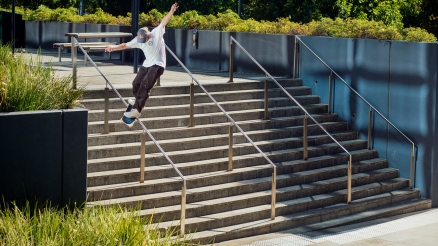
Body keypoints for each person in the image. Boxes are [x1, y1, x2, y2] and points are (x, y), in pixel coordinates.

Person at [105, 2, 179, 127]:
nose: (142, 43)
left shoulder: (156, 33)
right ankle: (137, 100)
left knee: (145, 85)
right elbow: (125, 45)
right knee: (136, 83)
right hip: (147, 64)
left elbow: (164, 22)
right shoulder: (138, 40)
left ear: (147, 35)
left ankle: (137, 110)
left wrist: (171, 11)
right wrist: (113, 47)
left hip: (158, 65)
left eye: (144, 40)